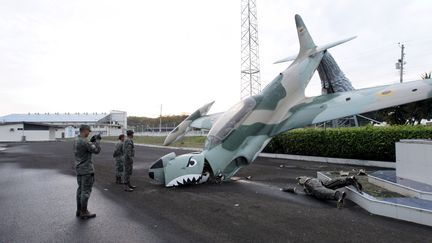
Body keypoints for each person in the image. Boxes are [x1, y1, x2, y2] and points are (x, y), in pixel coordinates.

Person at [282, 175, 363, 208]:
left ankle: (337, 195)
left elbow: (293, 189)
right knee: (331, 184)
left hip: (311, 182)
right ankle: (348, 180)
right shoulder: (305, 184)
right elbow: (294, 189)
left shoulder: (304, 183)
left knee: (319, 191)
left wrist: (283, 189)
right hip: (317, 180)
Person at [73, 124, 101, 219]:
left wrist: (91, 141)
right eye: (88, 131)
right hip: (86, 169)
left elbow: (86, 147)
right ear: (84, 130)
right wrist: (97, 141)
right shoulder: (85, 142)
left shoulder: (76, 139)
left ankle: (79, 210)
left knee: (80, 190)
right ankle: (84, 212)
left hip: (79, 168)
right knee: (85, 191)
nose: (89, 132)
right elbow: (96, 150)